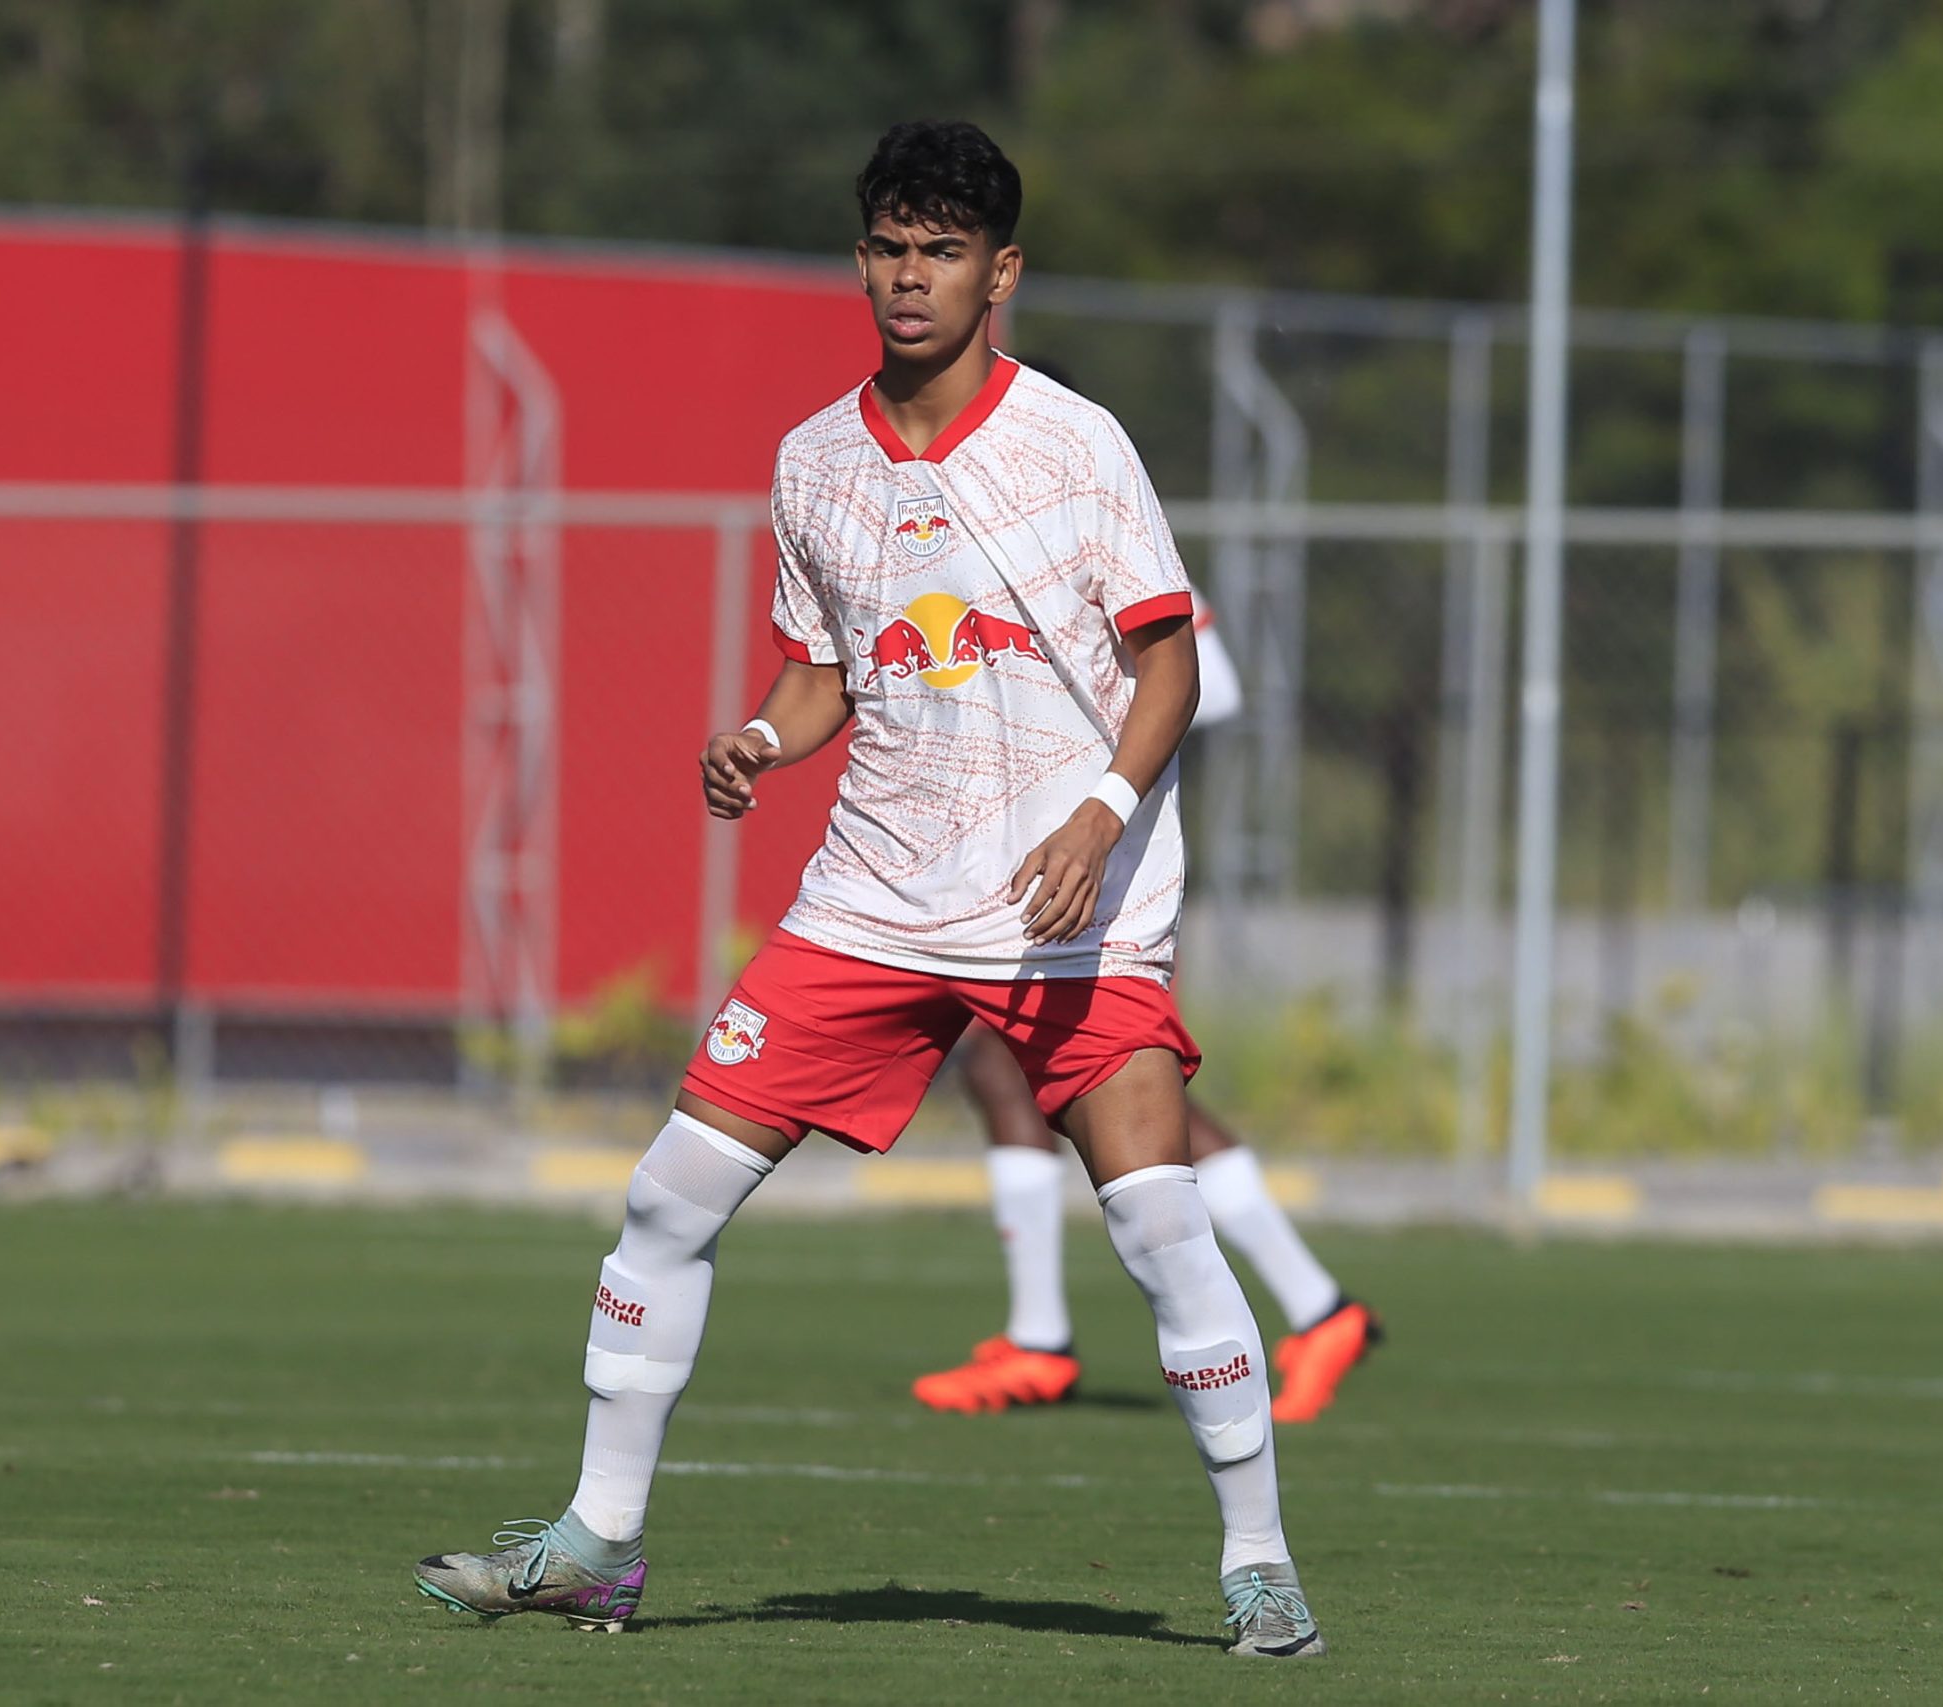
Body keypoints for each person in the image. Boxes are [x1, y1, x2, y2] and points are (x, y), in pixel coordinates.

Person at [414, 120, 1327, 1659]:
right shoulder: (813, 458)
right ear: (863, 261)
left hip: (1071, 910)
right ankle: (599, 1540)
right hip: (875, 899)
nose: (913, 279)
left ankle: (1261, 1568)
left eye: (945, 251)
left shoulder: (1077, 444)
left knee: (1161, 1221)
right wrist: (763, 737)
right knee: (664, 1199)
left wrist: (1103, 813)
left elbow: (1165, 658)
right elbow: (827, 666)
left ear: (1001, 271)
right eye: (891, 249)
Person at [912, 567, 1381, 1425]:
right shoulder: (989, 530)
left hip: (1108, 863)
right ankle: (1312, 1306)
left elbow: (1212, 684)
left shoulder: (1099, 528)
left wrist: (1088, 767)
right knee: (1025, 1068)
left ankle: (1048, 1336)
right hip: (1034, 850)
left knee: (1093, 1075)